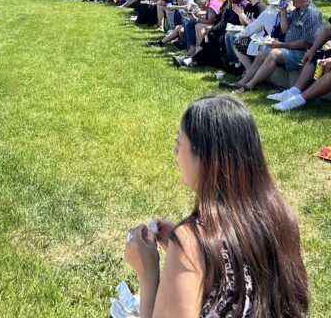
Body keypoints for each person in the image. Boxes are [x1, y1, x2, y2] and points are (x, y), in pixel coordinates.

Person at [123, 96, 309, 317]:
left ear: (206, 158)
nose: (175, 152)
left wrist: (148, 272)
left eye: (179, 143)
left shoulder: (190, 242)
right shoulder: (282, 217)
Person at [223, 0, 323, 94]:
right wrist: (283, 12)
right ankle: (242, 82)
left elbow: (306, 44)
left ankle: (248, 86)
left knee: (273, 53)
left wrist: (281, 45)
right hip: (291, 49)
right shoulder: (297, 11)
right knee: (262, 54)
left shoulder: (311, 14)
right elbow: (284, 30)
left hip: (303, 53)